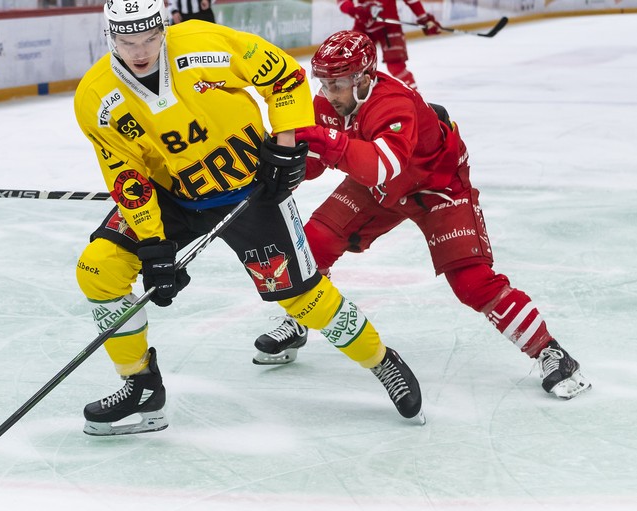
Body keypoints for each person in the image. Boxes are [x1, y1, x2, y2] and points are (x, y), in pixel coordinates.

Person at [73, 0, 425, 436]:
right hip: (172, 196)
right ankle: (141, 385)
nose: (140, 51)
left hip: (251, 191)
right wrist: (153, 245)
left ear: (164, 28)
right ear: (110, 36)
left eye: (149, 38)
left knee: (302, 298)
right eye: (127, 41)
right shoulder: (95, 98)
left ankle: (380, 360)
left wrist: (286, 142)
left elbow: (284, 75)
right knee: (98, 269)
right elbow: (127, 174)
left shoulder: (207, 44)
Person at [252, 31, 591, 401]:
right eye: (325, 83)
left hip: (437, 188)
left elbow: (382, 165)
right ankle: (300, 321)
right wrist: (285, 163)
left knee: (472, 282)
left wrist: (326, 141)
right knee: (311, 245)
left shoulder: (393, 102)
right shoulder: (330, 103)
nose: (329, 93)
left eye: (337, 84)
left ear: (363, 78)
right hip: (379, 186)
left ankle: (550, 352)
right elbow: (316, 166)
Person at [336, 0, 442, 90]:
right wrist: (355, 11)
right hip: (363, 25)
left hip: (390, 27)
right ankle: (351, 100)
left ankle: (416, 98)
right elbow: (342, 1)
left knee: (396, 66)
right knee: (349, 62)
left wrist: (423, 17)